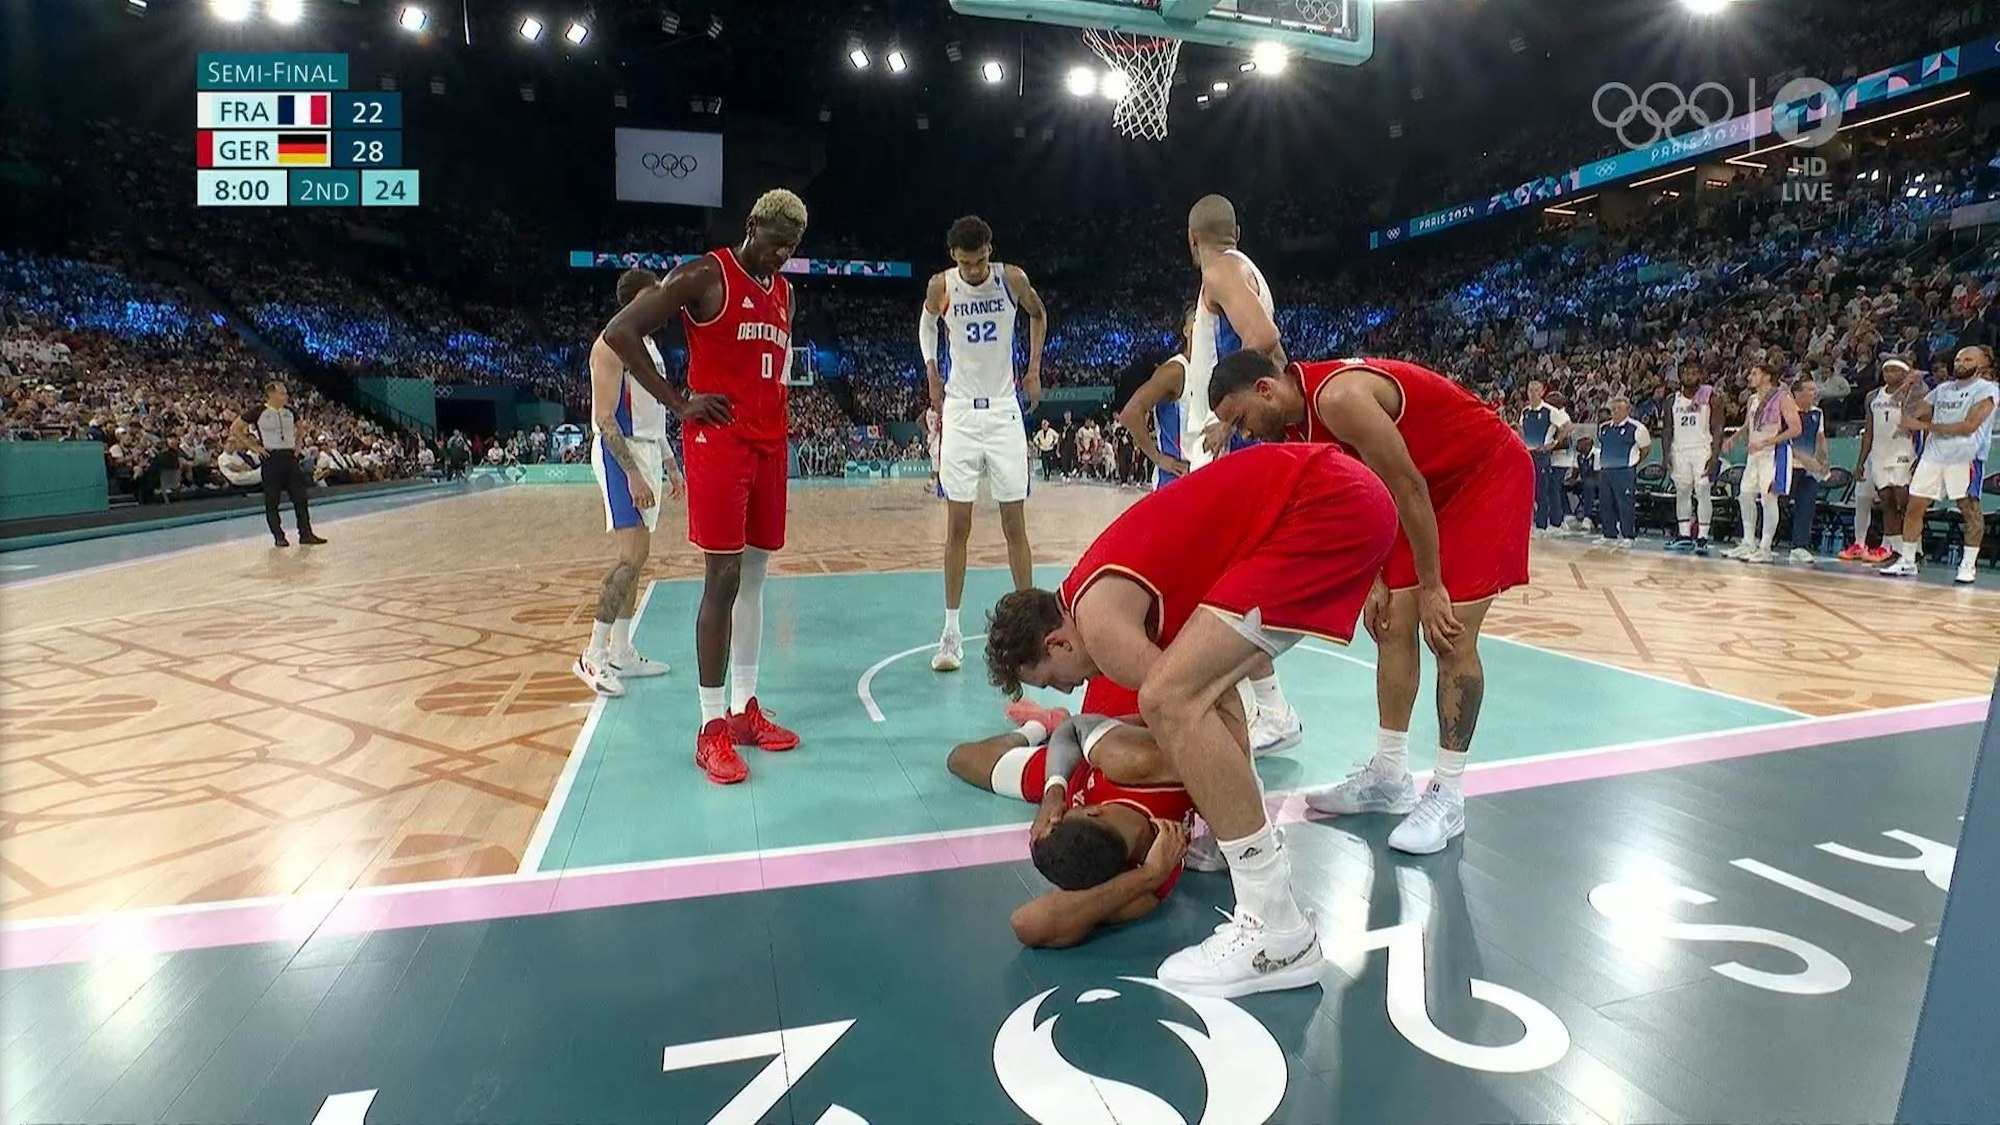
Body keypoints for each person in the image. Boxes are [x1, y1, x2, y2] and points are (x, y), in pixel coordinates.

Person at [984, 442, 1399, 997]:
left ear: (1057, 641)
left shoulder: (1101, 625)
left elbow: (1188, 709)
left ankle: (1276, 924)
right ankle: (1260, 881)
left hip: (1323, 506)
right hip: (1341, 496)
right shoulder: (1101, 589)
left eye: (1053, 678)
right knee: (1184, 693)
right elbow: (1221, 704)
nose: (1070, 687)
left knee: (1166, 698)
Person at [1207, 352, 1534, 854]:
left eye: (1240, 418)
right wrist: (1378, 577)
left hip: (1483, 473)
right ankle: (1389, 774)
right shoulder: (1299, 426)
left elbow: (1407, 485)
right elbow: (1369, 493)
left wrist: (1431, 585)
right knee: (1391, 624)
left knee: (1449, 633)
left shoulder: (1337, 399)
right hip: (1421, 489)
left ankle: (1448, 794)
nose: (1245, 433)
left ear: (1266, 390)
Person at [599, 189, 807, 785]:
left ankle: (745, 709)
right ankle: (711, 724)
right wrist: (679, 401)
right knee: (722, 577)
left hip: (770, 443)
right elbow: (621, 331)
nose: (780, 257)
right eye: (774, 245)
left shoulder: (785, 293)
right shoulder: (703, 274)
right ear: (751, 227)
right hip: (720, 442)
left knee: (757, 577)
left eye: (790, 250)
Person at [945, 683, 1200, 949]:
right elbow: (1074, 729)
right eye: (1067, 813)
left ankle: (1040, 726)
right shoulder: (1132, 762)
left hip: (1080, 760)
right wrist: (1055, 790)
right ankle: (1039, 726)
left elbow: (1031, 923)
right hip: (1107, 726)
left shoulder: (1144, 876)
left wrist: (1148, 875)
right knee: (961, 758)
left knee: (961, 759)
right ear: (1092, 810)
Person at [919, 217, 1047, 672]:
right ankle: (951, 632)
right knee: (958, 524)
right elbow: (926, 323)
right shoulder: (942, 285)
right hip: (959, 412)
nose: (973, 270)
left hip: (1003, 409)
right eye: (966, 262)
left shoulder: (1010, 279)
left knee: (1015, 522)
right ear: (954, 255)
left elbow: (1038, 311)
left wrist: (1033, 369)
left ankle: (1029, 626)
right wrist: (932, 371)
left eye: (979, 260)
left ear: (990, 250)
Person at [572, 268, 685, 697]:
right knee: (629, 554)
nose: (658, 307)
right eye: (651, 298)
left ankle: (621, 650)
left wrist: (671, 464)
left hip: (649, 450)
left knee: (640, 556)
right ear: (630, 302)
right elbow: (604, 418)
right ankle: (593, 654)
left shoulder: (650, 346)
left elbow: (654, 414)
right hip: (620, 453)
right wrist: (633, 472)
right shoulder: (610, 343)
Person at [1880, 344, 1997, 585]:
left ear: (1981, 364)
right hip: (1933, 456)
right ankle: (1908, 560)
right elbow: (1910, 414)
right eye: (1958, 359)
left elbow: (1968, 426)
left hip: (1965, 456)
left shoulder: (1988, 389)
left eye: (1967, 359)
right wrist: (1910, 386)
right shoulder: (1942, 389)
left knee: (1969, 510)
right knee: (1914, 507)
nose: (1960, 363)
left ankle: (1967, 565)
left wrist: (1926, 427)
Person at [1843, 358, 1925, 564]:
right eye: (1886, 370)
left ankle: (1914, 549)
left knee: (1905, 503)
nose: (1888, 373)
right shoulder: (1873, 396)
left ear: (1905, 373)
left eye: (1894, 370)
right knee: (1887, 502)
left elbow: (1924, 424)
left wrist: (1921, 457)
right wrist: (1861, 461)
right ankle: (1892, 548)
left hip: (1904, 452)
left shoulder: (1913, 393)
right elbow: (1868, 432)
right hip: (1879, 454)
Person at [1722, 363, 1801, 564]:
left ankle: (1765, 548)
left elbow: (1795, 429)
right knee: (1745, 495)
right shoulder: (1752, 400)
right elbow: (1749, 424)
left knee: (1768, 499)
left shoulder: (1783, 397)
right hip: (1754, 454)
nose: (1749, 377)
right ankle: (1748, 542)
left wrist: (1768, 442)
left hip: (1774, 453)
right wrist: (1735, 437)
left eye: (1754, 373)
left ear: (1767, 377)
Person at [232, 380, 325, 548]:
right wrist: (254, 447)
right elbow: (235, 428)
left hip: (289, 457)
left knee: (300, 497)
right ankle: (278, 536)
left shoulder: (290, 411)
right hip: (271, 457)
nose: (286, 395)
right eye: (282, 392)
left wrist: (298, 446)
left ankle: (306, 533)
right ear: (271, 394)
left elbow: (300, 428)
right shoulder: (258, 411)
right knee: (272, 499)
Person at [1663, 366, 1725, 555]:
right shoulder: (1672, 400)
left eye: (1694, 372)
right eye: (1686, 373)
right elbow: (1667, 429)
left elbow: (1718, 428)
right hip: (1679, 450)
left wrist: (1714, 456)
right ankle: (1684, 535)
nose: (1690, 376)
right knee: (1682, 492)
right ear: (1680, 376)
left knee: (1703, 490)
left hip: (1702, 449)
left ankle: (1703, 536)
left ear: (1700, 375)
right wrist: (1666, 455)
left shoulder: (1710, 396)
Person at [1594, 395, 1649, 548]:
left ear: (1628, 410)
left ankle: (1628, 536)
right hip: (1606, 470)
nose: (1615, 411)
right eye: (1613, 409)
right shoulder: (1603, 428)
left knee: (1625, 503)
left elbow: (1646, 448)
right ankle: (1608, 534)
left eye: (1619, 408)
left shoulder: (1637, 428)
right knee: (1606, 503)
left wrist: (1634, 462)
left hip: (1624, 471)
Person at [1784, 378, 1829, 565]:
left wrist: (1824, 459)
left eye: (1815, 389)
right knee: (1776, 504)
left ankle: (1799, 546)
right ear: (1797, 393)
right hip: (1786, 465)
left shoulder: (1817, 413)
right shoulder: (1786, 412)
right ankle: (1761, 541)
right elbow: (1784, 440)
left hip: (1808, 470)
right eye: (1810, 389)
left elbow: (1820, 438)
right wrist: (1805, 459)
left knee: (1806, 506)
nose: (1814, 392)